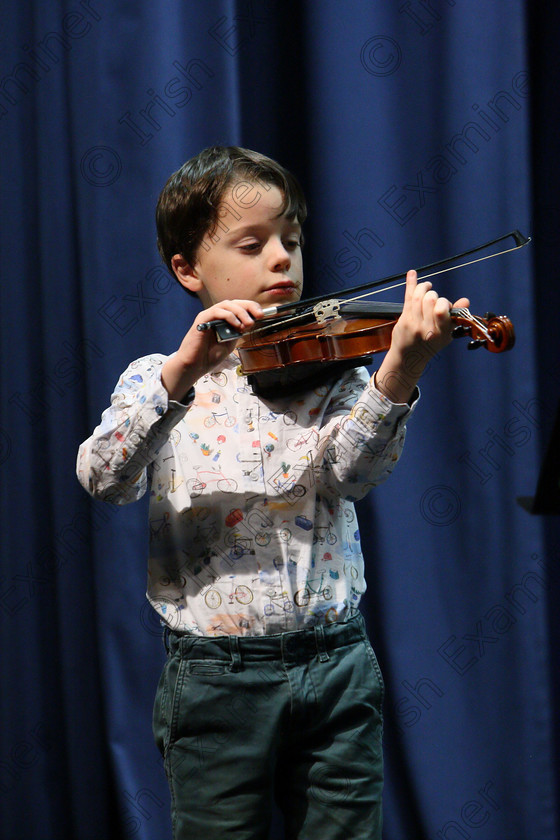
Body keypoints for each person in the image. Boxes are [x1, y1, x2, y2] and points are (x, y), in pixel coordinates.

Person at [77, 146, 468, 840]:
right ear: (188, 269)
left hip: (337, 663)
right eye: (252, 244)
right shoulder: (156, 379)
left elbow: (352, 474)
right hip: (214, 679)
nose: (282, 259)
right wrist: (183, 371)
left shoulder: (339, 371)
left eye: (291, 239)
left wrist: (398, 370)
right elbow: (104, 478)